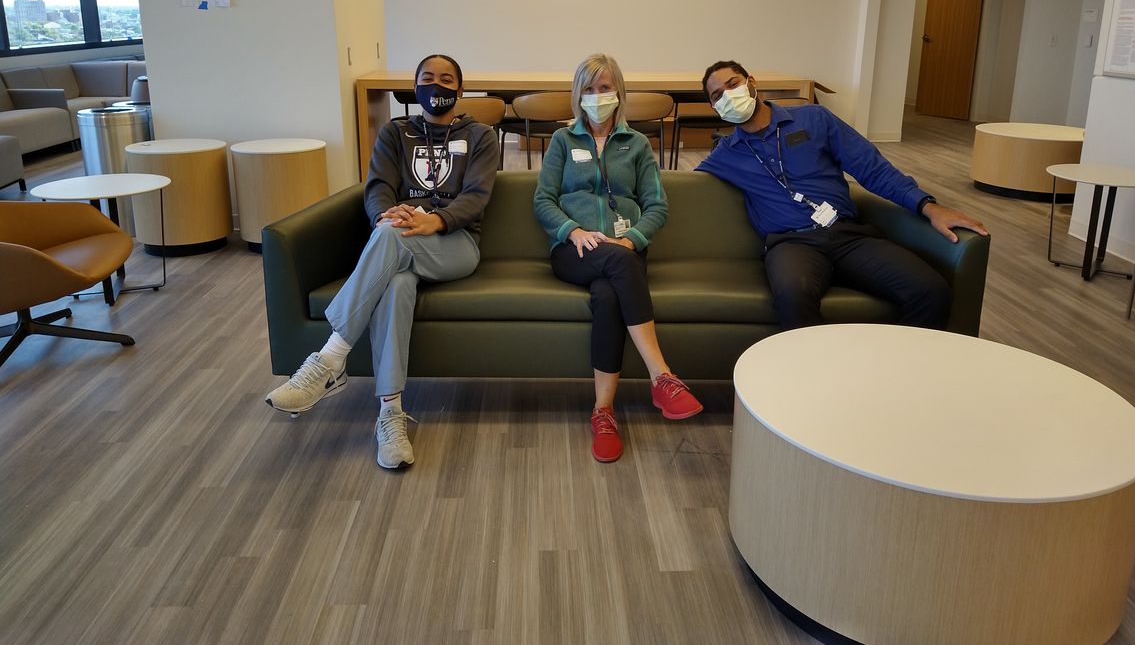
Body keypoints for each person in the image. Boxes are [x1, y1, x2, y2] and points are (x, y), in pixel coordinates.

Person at [266, 54, 499, 470]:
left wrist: (436, 220)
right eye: (427, 79)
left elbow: (476, 196)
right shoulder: (396, 133)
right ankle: (390, 414)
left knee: (393, 238)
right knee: (395, 284)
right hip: (399, 240)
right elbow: (378, 188)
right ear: (414, 86)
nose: (437, 86)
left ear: (460, 90)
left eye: (447, 80)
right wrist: (386, 217)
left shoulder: (480, 135)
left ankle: (330, 358)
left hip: (456, 244)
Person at [697, 60, 988, 331]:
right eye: (717, 95)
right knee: (792, 296)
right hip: (792, 243)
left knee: (931, 291)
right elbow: (674, 186)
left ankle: (895, 372)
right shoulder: (726, 153)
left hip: (849, 236)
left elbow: (871, 168)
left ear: (751, 82)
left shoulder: (813, 118)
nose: (728, 96)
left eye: (733, 84)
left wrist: (927, 206)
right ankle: (820, 382)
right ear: (714, 107)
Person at [534, 53, 702, 464]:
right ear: (577, 95)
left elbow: (656, 206)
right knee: (618, 267)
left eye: (605, 87)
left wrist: (636, 238)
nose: (597, 96)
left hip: (624, 252)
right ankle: (662, 377)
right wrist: (572, 231)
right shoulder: (562, 141)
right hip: (574, 251)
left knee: (608, 297)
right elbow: (543, 200)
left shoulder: (637, 144)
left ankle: (603, 412)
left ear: (618, 92)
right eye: (589, 89)